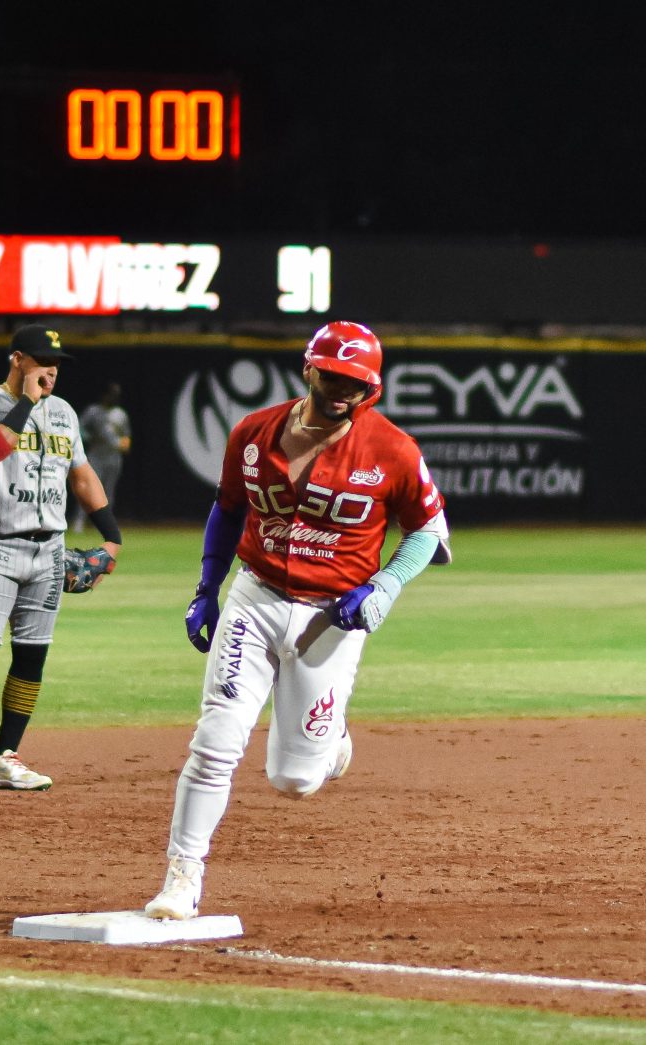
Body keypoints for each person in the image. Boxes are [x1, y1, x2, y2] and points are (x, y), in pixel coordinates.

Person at [143, 320, 451, 919]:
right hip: (255, 598)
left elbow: (428, 531)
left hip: (332, 617)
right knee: (215, 743)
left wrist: (385, 584)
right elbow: (228, 509)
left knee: (295, 781)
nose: (343, 392)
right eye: (333, 377)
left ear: (372, 388)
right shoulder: (253, 432)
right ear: (309, 368)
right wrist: (207, 588)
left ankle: (331, 742)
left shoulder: (392, 448)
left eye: (356, 384)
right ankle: (182, 877)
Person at [0, 324, 122, 793]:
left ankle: (5, 758)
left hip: (49, 551)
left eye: (57, 363)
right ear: (17, 359)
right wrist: (25, 402)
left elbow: (81, 475)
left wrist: (112, 538)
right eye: (43, 361)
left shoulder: (63, 413)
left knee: (31, 656)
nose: (52, 371)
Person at [68, 382, 131, 532]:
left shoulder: (120, 414)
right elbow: (79, 429)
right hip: (96, 455)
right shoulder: (93, 411)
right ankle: (79, 522)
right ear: (104, 395)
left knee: (109, 492)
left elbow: (126, 436)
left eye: (116, 395)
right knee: (89, 489)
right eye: (111, 395)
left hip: (113, 456)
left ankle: (104, 525)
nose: (114, 398)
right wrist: (90, 438)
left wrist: (125, 444)